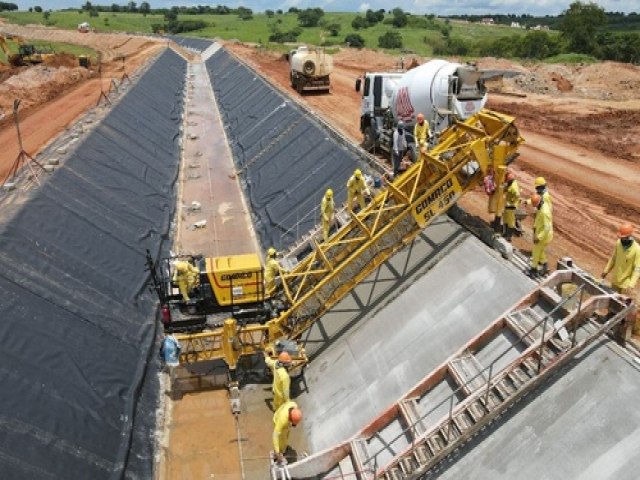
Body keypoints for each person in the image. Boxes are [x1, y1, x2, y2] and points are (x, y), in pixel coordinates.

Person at [528, 193, 553, 277]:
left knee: (536, 251)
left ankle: (533, 270)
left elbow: (547, 227)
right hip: (541, 232)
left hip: (544, 236)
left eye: (536, 206)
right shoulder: (542, 206)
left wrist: (538, 237)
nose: (535, 208)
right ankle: (545, 267)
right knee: (540, 251)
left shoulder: (545, 212)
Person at [502, 170, 520, 242]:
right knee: (505, 220)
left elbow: (517, 194)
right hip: (508, 206)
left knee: (510, 222)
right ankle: (505, 234)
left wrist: (512, 200)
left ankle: (508, 236)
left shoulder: (513, 186)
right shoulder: (510, 184)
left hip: (511, 207)